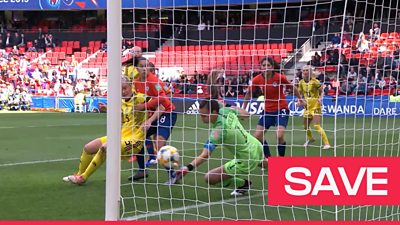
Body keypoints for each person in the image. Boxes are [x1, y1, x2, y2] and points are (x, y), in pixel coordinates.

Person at [63, 76, 147, 184]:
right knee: (88, 148)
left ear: (131, 86)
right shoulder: (120, 102)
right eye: (120, 89)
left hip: (135, 139)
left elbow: (161, 105)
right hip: (121, 135)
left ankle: (83, 178)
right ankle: (78, 174)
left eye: (125, 88)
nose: (123, 91)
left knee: (105, 147)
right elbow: (122, 120)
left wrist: (149, 121)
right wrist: (108, 109)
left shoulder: (140, 98)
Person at [174, 99, 263, 196]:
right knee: (266, 163)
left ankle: (244, 184)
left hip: (246, 159)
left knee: (210, 178)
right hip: (256, 145)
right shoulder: (226, 110)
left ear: (214, 112)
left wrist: (188, 167)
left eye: (204, 116)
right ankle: (282, 178)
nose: (202, 118)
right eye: (200, 115)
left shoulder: (218, 131)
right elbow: (246, 114)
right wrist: (231, 107)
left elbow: (205, 154)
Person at [242, 57, 302, 167]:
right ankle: (269, 159)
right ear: (261, 67)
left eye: (268, 65)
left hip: (281, 108)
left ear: (272, 67)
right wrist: (243, 108)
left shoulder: (279, 78)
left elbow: (293, 88)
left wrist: (300, 99)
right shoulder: (257, 79)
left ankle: (281, 160)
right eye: (263, 65)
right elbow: (248, 94)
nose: (266, 68)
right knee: (257, 136)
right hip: (267, 110)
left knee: (279, 136)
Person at [128, 57, 177, 183]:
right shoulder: (136, 82)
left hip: (167, 112)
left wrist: (148, 118)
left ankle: (173, 175)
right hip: (153, 114)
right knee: (137, 137)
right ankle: (142, 170)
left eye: (147, 66)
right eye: (142, 66)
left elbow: (162, 102)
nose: (145, 68)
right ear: (136, 68)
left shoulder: (153, 81)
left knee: (159, 142)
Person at [298, 66, 331, 149]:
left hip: (315, 105)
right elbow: (300, 93)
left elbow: (322, 91)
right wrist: (300, 100)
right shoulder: (301, 82)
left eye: (307, 70)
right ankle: (310, 139)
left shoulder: (315, 82)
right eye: (304, 70)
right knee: (305, 126)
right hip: (307, 106)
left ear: (310, 72)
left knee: (316, 125)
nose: (305, 72)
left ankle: (327, 144)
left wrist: (320, 98)